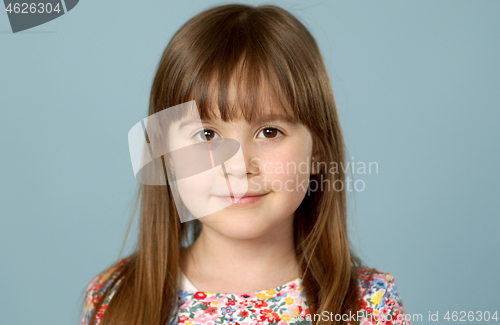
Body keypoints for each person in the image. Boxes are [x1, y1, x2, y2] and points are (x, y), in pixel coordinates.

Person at [80, 4, 411, 325]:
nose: (238, 166)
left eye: (270, 132)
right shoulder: (115, 299)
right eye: (207, 134)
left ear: (319, 151)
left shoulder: (368, 307)